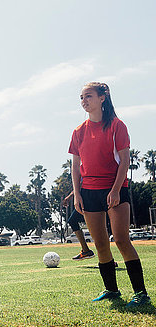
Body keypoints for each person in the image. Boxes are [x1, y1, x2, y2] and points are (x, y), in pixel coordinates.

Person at [69, 82, 150, 308]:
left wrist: (115, 190)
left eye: (88, 96)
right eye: (81, 97)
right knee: (100, 243)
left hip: (115, 189)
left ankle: (141, 293)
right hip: (89, 192)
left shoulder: (117, 125)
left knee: (121, 240)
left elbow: (125, 161)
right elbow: (75, 167)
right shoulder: (78, 132)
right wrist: (77, 194)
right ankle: (112, 290)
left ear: (102, 98)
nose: (84, 101)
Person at [62, 191, 94, 260]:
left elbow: (81, 182)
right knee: (73, 221)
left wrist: (69, 197)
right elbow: (80, 183)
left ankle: (109, 260)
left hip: (91, 196)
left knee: (100, 224)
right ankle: (86, 250)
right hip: (88, 197)